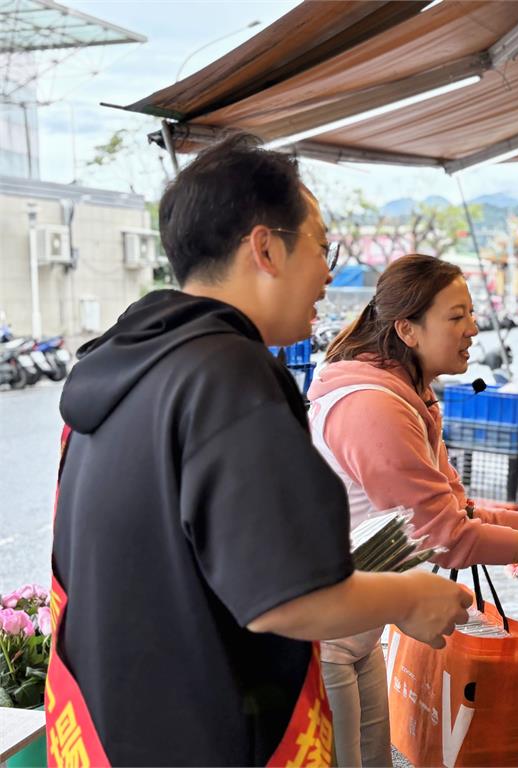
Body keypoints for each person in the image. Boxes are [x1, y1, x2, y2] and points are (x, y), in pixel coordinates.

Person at [50, 135, 471, 766]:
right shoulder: (228, 376)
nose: (329, 274)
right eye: (321, 246)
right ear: (266, 247)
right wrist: (412, 598)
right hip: (210, 735)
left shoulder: (122, 366)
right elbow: (286, 596)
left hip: (115, 732)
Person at [307, 254, 518, 766]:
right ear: (407, 330)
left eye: (471, 313)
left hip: (358, 634)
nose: (473, 327)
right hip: (322, 641)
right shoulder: (373, 407)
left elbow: (460, 513)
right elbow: (451, 540)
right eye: (456, 315)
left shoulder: (409, 397)